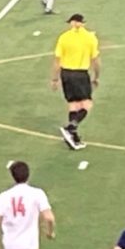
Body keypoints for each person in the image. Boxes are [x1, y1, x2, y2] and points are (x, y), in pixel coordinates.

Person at [51, 13, 100, 150]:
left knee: (73, 105)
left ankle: (74, 137)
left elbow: (57, 60)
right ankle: (71, 127)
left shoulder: (64, 37)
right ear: (83, 23)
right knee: (87, 104)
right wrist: (96, 76)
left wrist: (55, 78)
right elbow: (95, 60)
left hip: (66, 73)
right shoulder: (90, 38)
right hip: (80, 74)